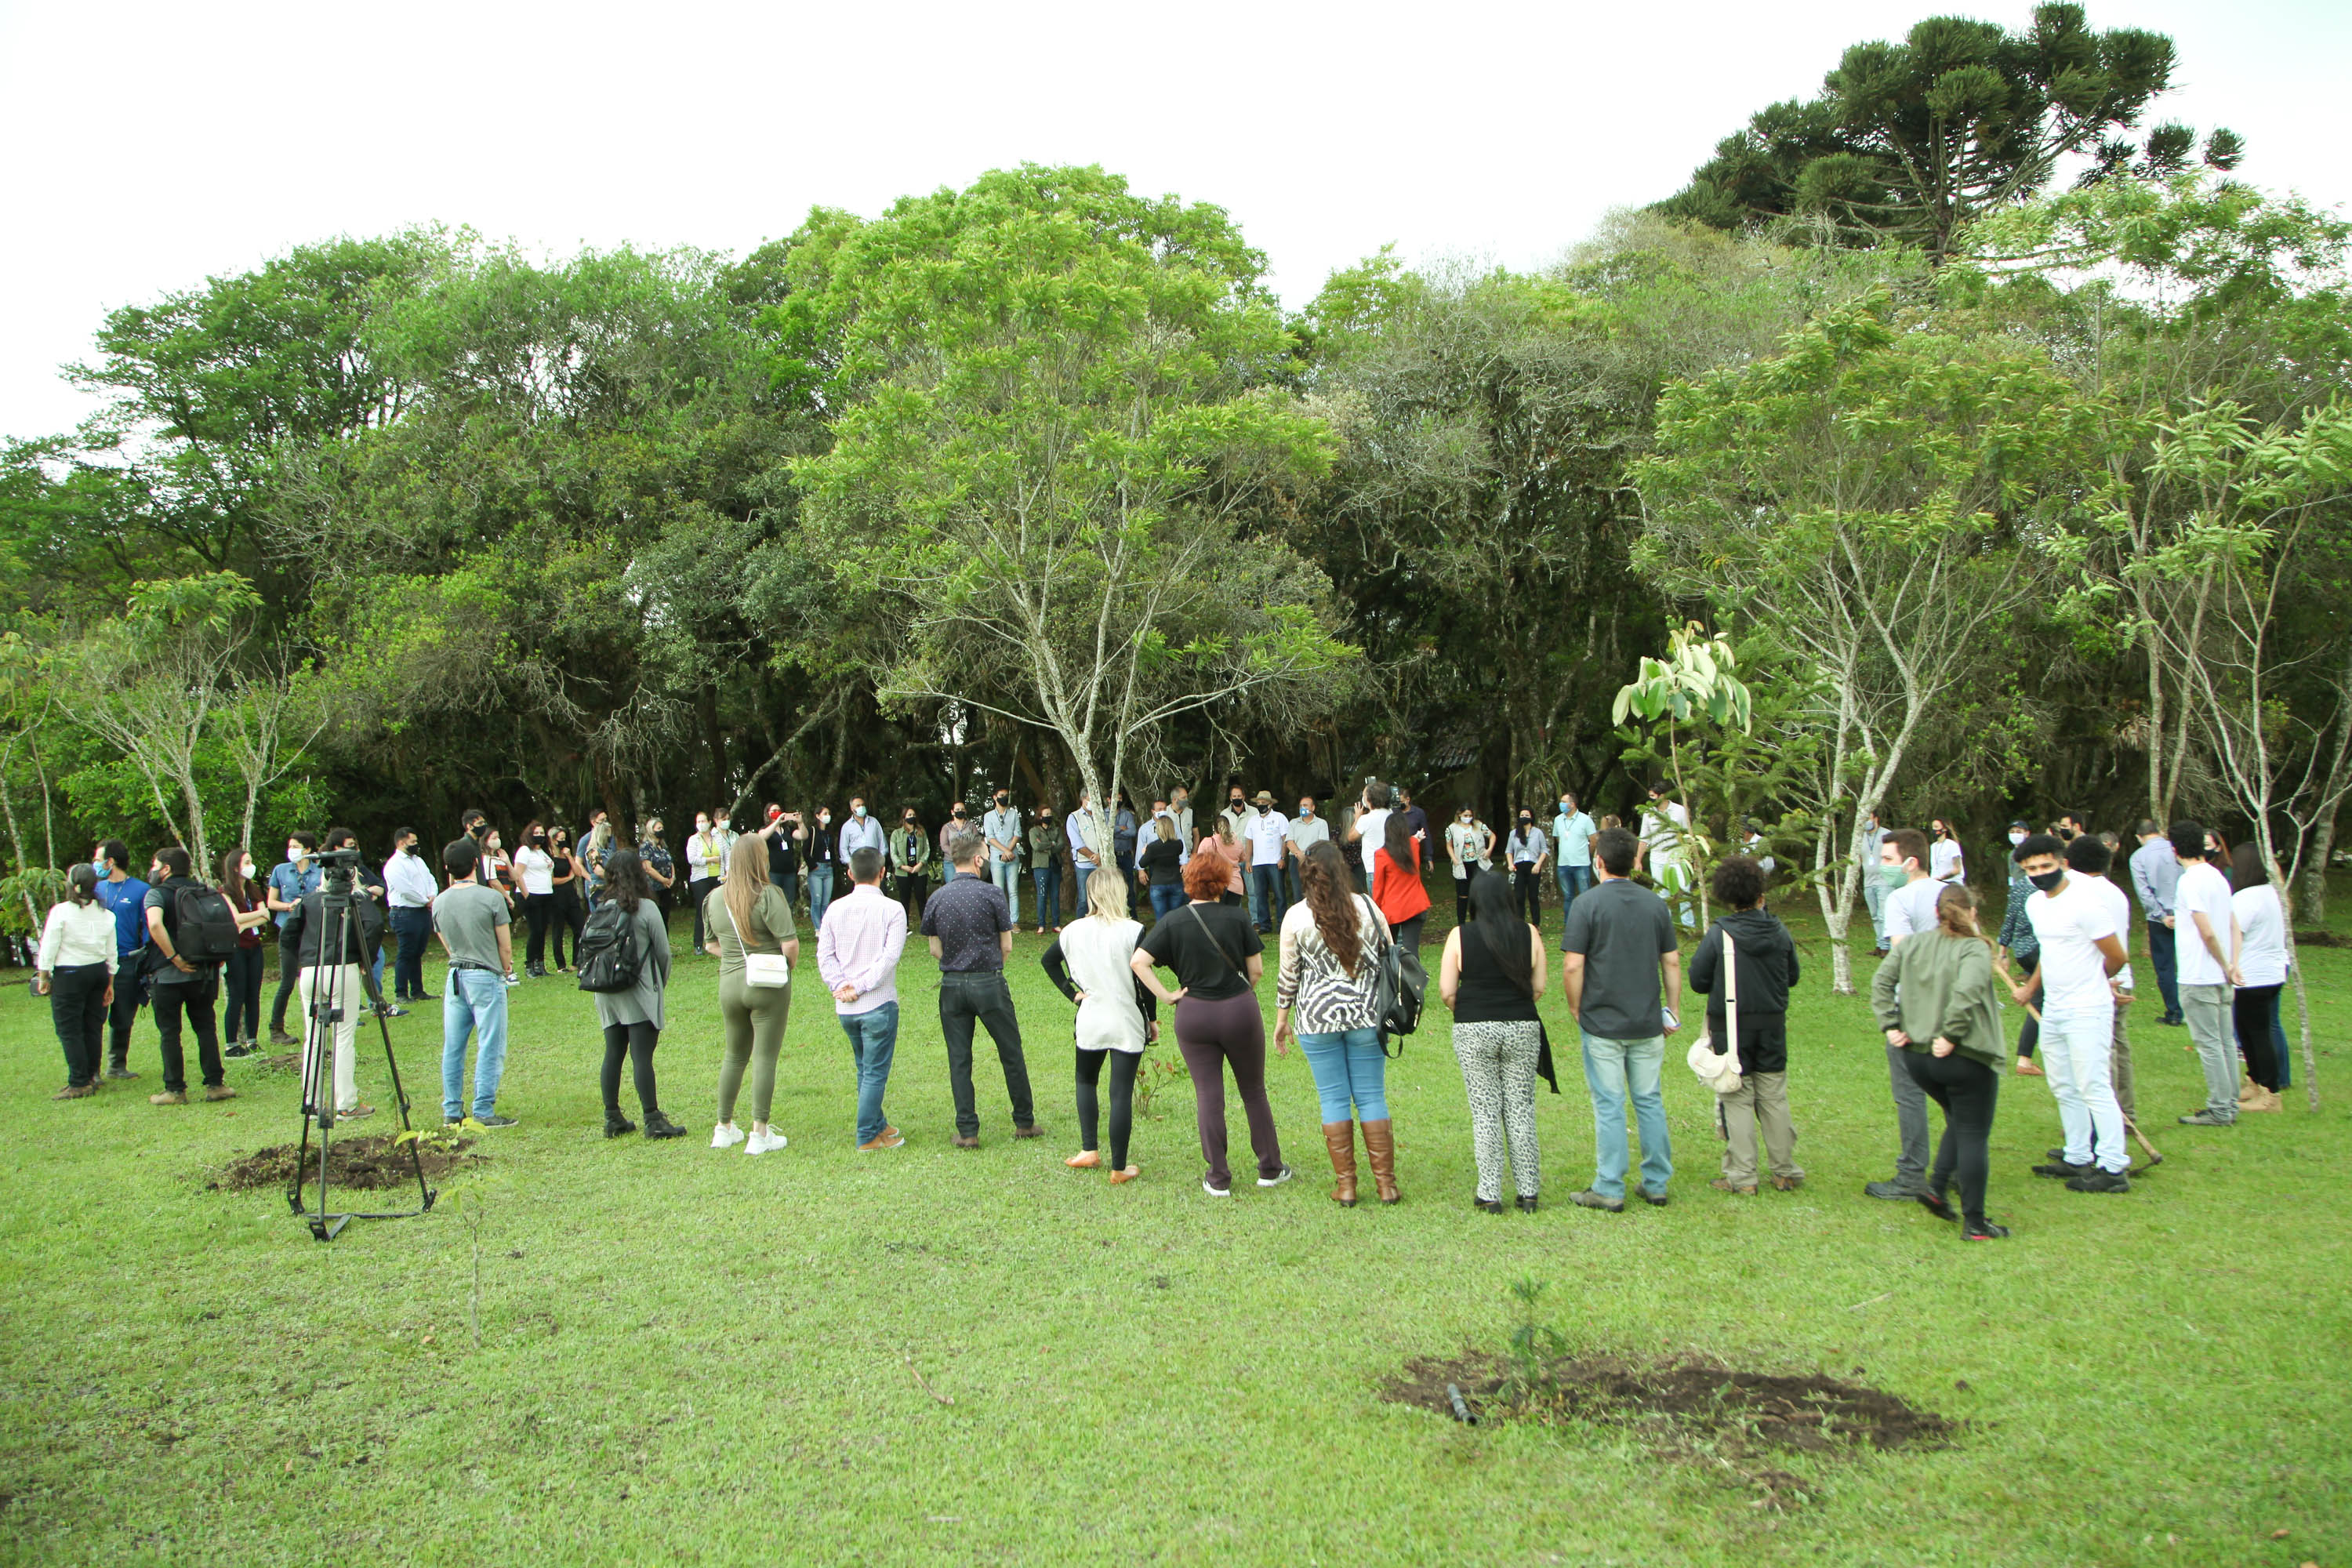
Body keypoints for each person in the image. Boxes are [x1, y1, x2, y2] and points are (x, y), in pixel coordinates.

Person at [1132, 847, 1291, 1198]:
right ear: (1222, 882)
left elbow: (1139, 962)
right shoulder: (1237, 918)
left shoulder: (1172, 920)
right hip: (1238, 1010)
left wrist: (1168, 995)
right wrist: (1239, 994)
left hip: (1194, 1014)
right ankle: (1270, 1167)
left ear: (1189, 882)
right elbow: (1257, 971)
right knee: (1253, 1091)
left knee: (1208, 1094)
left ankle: (1218, 1176)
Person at [1871, 885, 2012, 1239]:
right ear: (1973, 913)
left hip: (1918, 1059)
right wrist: (1950, 1035)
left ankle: (1935, 1190)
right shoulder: (1974, 949)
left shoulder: (1915, 943)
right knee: (1975, 1133)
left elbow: (1881, 982)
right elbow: (1968, 992)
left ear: (1936, 913)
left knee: (1960, 1120)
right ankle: (1976, 1223)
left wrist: (1891, 1025)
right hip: (1963, 1056)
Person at [1560, 827, 1679, 1211]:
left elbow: (1573, 965)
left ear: (1599, 862)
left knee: (1609, 1103)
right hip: (1647, 1020)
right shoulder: (1655, 905)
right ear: (1635, 863)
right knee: (1649, 1100)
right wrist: (1672, 1009)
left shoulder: (1586, 904)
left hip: (1603, 1022)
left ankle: (1610, 1186)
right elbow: (1672, 961)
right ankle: (1656, 1182)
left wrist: (1575, 1007)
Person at [1276, 840, 1399, 1208]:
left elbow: (1288, 976)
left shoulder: (1296, 916)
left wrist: (1282, 1019)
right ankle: (1386, 1186)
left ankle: (1346, 1186)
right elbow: (1389, 955)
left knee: (1333, 1099)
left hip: (1317, 1017)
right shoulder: (1369, 908)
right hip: (1367, 1014)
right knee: (1372, 1096)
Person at [2006, 833, 2131, 1193]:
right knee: (2062, 1082)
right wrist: (2031, 988)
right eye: (2031, 869)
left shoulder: (2085, 903)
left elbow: (2117, 955)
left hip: (2087, 1006)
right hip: (2055, 1005)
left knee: (2093, 1083)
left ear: (2062, 863)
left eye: (2046, 865)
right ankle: (2077, 1155)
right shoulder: (2036, 904)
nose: (2039, 873)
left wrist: (2097, 981)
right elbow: (2050, 950)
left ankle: (2113, 1165)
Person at [1687, 855, 1802, 1196]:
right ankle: (1784, 1171)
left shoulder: (1720, 934)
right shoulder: (1780, 931)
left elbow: (1698, 980)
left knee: (1736, 1097)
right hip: (1771, 1026)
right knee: (1774, 1097)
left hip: (1731, 1027)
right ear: (1760, 896)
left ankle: (1742, 1175)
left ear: (1727, 897)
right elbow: (1792, 976)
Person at [1440, 869, 1549, 1213]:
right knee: (1521, 1109)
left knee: (1485, 1111)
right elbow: (1540, 986)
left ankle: (1490, 1192)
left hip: (1474, 1028)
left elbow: (1446, 990)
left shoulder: (1460, 936)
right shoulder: (1529, 933)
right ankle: (1528, 1190)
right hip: (1521, 1025)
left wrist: (1467, 1007)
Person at [924, 829, 1040, 1146]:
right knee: (1010, 1051)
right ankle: (1024, 1122)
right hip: (988, 982)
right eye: (986, 859)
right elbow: (1007, 945)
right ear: (978, 860)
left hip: (951, 985)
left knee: (959, 1058)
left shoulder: (937, 897)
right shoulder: (992, 895)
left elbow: (935, 949)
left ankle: (967, 1131)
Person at [1043, 868, 1158, 1182]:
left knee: (1086, 1082)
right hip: (1126, 1018)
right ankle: (1119, 1168)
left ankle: (1089, 1149)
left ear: (1090, 893)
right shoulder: (1134, 930)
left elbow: (1048, 961)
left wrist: (1073, 994)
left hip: (1091, 1016)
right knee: (1120, 1093)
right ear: (1120, 892)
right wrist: (1152, 1018)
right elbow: (1144, 981)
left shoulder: (1071, 931)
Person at [704, 833, 799, 1154]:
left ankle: (724, 1126)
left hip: (730, 982)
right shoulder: (769, 895)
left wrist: (737, 956)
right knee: (764, 1057)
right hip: (766, 985)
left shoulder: (715, 898)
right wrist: (782, 967)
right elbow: (789, 944)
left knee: (733, 1055)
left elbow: (710, 944)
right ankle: (759, 1132)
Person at [1866, 826, 1946, 1201]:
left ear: (1911, 862)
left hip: (1914, 1006)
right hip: (1954, 1007)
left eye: (1888, 860)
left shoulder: (1900, 898)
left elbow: (1903, 956)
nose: (1882, 867)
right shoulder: (1951, 894)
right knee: (1953, 1093)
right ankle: (1955, 1169)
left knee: (1910, 1094)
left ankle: (1912, 1174)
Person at [283, 828, 383, 1122]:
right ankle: (346, 1102)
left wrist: (298, 961)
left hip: (310, 971)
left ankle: (312, 1102)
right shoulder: (357, 899)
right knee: (343, 1036)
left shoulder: (311, 901)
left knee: (313, 1035)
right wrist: (366, 958)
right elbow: (374, 926)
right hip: (343, 968)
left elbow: (288, 933)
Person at [819, 845, 906, 1151]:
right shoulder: (893, 909)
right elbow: (889, 958)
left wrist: (842, 985)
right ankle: (867, 1134)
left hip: (847, 1005)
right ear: (883, 873)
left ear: (849, 873)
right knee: (874, 1072)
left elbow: (824, 956)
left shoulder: (834, 909)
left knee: (865, 1068)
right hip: (876, 1003)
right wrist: (858, 986)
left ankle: (878, 1123)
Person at [593, 848, 683, 1140]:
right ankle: (653, 1118)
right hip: (639, 989)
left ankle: (612, 1116)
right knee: (642, 1056)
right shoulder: (646, 909)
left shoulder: (600, 908)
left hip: (606, 990)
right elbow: (664, 954)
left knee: (613, 1052)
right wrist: (658, 985)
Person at [138, 845, 237, 1107]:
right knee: (205, 1027)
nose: (153, 869)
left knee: (170, 1031)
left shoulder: (156, 893)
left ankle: (175, 1090)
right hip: (204, 973)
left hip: (168, 974)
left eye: (155, 864)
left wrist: (174, 957)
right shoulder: (203, 891)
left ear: (166, 868)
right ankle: (215, 1085)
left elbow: (155, 924)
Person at [433, 837, 517, 1129]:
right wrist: (506, 969)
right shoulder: (491, 898)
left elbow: (445, 942)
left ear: (448, 868)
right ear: (476, 864)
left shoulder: (440, 901)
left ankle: (452, 1110)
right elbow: (504, 946)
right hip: (485, 975)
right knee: (490, 1043)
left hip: (456, 974)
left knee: (453, 1046)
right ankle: (483, 1109)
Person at [2168, 819, 2243, 1128]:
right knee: (2225, 1042)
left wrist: (2225, 962)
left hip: (2200, 976)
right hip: (2221, 977)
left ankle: (2220, 1109)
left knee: (2211, 1045)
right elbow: (2233, 926)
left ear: (2175, 850)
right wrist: (2232, 965)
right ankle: (2230, 1104)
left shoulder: (2190, 881)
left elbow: (2208, 931)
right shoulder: (2218, 878)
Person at [35, 865, 117, 1098]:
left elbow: (49, 946)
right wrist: (110, 981)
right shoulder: (105, 913)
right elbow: (112, 951)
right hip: (99, 971)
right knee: (92, 1026)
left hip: (70, 973)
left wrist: (44, 976)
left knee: (69, 1028)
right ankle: (91, 1074)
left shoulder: (61, 912)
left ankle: (79, 1081)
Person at [2229, 842, 2288, 1114]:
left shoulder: (2246, 898)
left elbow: (2235, 934)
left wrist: (2232, 966)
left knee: (2257, 1034)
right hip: (2272, 972)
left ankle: (2271, 1094)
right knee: (2248, 1031)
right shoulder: (2274, 893)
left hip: (2253, 975)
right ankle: (2255, 1081)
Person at [91, 840, 151, 1079]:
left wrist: (144, 958)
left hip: (127, 960)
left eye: (98, 859)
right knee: (95, 1015)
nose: (95, 864)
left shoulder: (141, 890)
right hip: (98, 961)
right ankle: (91, 1070)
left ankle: (117, 1064)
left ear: (111, 861)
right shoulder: (95, 890)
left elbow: (148, 927)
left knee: (123, 1015)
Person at [1994, 822, 2044, 1076]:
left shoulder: (2022, 886)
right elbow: (2011, 919)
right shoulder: (2038, 886)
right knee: (2040, 999)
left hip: (2024, 951)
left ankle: (2030, 1056)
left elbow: (2009, 920)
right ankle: (2025, 1059)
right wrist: (2001, 953)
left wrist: (2004, 952)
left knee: (2043, 999)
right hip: (2038, 950)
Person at [215, 848, 273, 1057]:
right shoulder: (225, 891)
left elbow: (266, 916)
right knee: (236, 995)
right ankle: (231, 1044)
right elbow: (235, 919)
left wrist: (250, 918)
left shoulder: (253, 889)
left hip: (254, 947)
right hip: (235, 949)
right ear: (235, 867)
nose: (251, 867)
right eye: (246, 863)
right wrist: (255, 916)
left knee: (253, 995)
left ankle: (252, 1040)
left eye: (251, 862)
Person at [265, 831, 321, 1047]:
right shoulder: (280, 870)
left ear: (307, 850)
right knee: (287, 981)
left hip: (313, 929)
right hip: (288, 928)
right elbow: (271, 902)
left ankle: (319, 1023)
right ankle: (276, 1028)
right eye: (290, 846)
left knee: (317, 978)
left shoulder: (320, 869)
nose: (292, 850)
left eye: (296, 846)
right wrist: (289, 906)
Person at [2130, 820, 2186, 1027]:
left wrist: (2161, 915)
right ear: (2159, 832)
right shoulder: (2176, 850)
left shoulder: (2138, 857)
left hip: (2159, 918)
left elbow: (2144, 892)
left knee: (2165, 966)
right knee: (2189, 961)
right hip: (2185, 913)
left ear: (2139, 837)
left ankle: (2174, 1011)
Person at [383, 826, 440, 1006]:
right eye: (413, 842)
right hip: (405, 912)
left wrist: (432, 896)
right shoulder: (394, 865)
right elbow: (405, 888)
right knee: (406, 952)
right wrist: (424, 900)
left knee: (418, 952)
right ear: (401, 843)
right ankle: (401, 992)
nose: (416, 845)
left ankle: (418, 990)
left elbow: (430, 879)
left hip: (421, 911)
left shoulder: (418, 861)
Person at [1640, 782, 1696, 932]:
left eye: (1653, 796)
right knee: (1661, 895)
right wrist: (1638, 860)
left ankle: (1689, 927)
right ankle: (1666, 927)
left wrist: (1690, 856)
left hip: (1678, 857)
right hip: (1657, 858)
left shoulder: (1679, 811)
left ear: (1662, 795)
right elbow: (1644, 838)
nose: (1650, 799)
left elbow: (1687, 834)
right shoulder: (1648, 813)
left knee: (1684, 892)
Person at [1372, 812, 1429, 953]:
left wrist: (1376, 910)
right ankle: (1414, 975)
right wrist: (1418, 836)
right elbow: (1414, 840)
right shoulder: (1413, 845)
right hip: (1416, 904)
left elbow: (1378, 887)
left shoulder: (1382, 854)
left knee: (1389, 951)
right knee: (1411, 950)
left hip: (1392, 909)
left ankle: (1393, 975)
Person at [1245, 789, 1291, 935]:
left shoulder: (1280, 818)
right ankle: (1264, 925)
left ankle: (1282, 924)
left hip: (1275, 861)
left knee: (1279, 894)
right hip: (1258, 863)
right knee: (1260, 895)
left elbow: (1286, 839)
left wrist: (1282, 857)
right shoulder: (1252, 820)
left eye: (1264, 803)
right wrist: (1248, 861)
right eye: (1258, 803)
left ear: (1270, 804)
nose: (1261, 805)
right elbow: (1249, 842)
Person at [1552, 791, 1597, 925]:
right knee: (1568, 897)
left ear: (1572, 804)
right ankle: (1569, 924)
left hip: (1581, 864)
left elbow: (1593, 840)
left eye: (1564, 802)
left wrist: (1585, 854)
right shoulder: (1558, 820)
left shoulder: (1585, 820)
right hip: (1563, 865)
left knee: (1585, 896)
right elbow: (1558, 839)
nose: (1561, 804)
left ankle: (1587, 924)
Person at [686, 811, 728, 952]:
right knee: (702, 910)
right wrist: (709, 860)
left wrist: (727, 872)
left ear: (710, 822)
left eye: (704, 821)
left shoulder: (719, 837)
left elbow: (727, 854)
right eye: (699, 822)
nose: (702, 824)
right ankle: (699, 943)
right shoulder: (693, 839)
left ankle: (720, 940)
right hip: (700, 879)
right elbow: (691, 859)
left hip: (718, 877)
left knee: (719, 908)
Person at [982, 789, 1024, 927]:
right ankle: (1000, 921)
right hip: (996, 857)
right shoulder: (988, 816)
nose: (1004, 798)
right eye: (1001, 796)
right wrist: (1005, 850)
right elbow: (990, 837)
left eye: (1006, 796)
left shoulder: (1013, 814)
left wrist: (1009, 850)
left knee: (1013, 890)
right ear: (994, 798)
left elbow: (1017, 833)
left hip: (1012, 856)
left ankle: (1014, 921)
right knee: (998, 890)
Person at [548, 826, 585, 975]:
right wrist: (567, 878)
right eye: (560, 839)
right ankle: (560, 964)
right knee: (558, 930)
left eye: (565, 839)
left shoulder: (566, 855)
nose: (563, 841)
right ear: (553, 840)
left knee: (580, 926)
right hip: (556, 896)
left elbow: (578, 872)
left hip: (571, 895)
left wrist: (569, 856)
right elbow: (551, 881)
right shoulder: (549, 857)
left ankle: (576, 962)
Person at [1446, 807, 1493, 927]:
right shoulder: (1452, 828)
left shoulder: (1479, 825)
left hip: (1478, 862)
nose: (1467, 818)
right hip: (1461, 864)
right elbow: (1449, 845)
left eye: (1469, 815)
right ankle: (1461, 924)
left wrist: (1489, 850)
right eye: (1465, 815)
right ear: (1459, 815)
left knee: (1479, 892)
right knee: (1463, 895)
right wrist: (1454, 858)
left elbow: (1492, 836)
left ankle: (1479, 921)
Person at [1344, 779, 1392, 889]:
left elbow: (1350, 837)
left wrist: (1357, 818)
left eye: (1364, 795)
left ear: (1370, 799)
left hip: (1373, 869)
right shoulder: (1391, 814)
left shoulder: (1366, 819)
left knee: (1377, 903)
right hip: (1392, 865)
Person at [1138, 813, 1187, 921]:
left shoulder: (1153, 847)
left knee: (1161, 919)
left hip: (1158, 883)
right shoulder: (1179, 844)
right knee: (1176, 918)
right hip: (1176, 882)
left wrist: (1144, 852)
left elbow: (1142, 863)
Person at [1287, 794, 1330, 908]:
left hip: (1314, 861)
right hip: (1296, 860)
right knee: (1298, 892)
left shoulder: (1321, 823)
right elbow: (1289, 841)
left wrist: (1307, 855)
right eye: (1301, 806)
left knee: (1314, 891)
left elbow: (1322, 844)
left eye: (1305, 805)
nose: (1302, 808)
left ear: (1313, 808)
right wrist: (1299, 854)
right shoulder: (1293, 823)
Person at [891, 808, 932, 927]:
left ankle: (926, 924)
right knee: (904, 898)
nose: (912, 816)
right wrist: (901, 866)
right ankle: (905, 925)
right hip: (903, 872)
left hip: (920, 870)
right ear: (904, 817)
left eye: (913, 814)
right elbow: (893, 853)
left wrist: (921, 864)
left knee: (921, 897)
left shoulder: (921, 831)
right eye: (909, 814)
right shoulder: (896, 834)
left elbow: (927, 849)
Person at [1506, 811, 1548, 927]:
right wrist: (1510, 864)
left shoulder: (1538, 833)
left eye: (1527, 815)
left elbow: (1544, 850)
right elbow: (1509, 851)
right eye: (1522, 815)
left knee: (1533, 896)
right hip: (1518, 866)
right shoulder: (1514, 833)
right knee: (1519, 897)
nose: (1524, 817)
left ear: (1532, 817)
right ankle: (1520, 924)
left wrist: (1538, 865)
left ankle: (1536, 925)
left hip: (1533, 867)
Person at [1858, 809, 1891, 954]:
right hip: (1868, 881)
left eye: (1869, 818)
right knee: (1875, 915)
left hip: (1884, 881)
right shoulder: (1860, 837)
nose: (1867, 822)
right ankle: (1879, 944)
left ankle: (1887, 946)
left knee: (1884, 914)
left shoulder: (1887, 835)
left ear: (1876, 819)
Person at [1027, 805, 1064, 933]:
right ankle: (1041, 925)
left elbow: (1061, 845)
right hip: (1040, 867)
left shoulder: (1056, 830)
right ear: (1040, 817)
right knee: (1042, 895)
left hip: (1055, 865)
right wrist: (1051, 844)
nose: (1049, 817)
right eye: (1046, 814)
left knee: (1055, 895)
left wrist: (1046, 846)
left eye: (1050, 814)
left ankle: (1056, 924)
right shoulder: (1034, 831)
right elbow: (1036, 846)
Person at [805, 805, 842, 931]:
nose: (827, 816)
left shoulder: (829, 833)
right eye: (825, 813)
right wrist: (813, 866)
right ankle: (818, 928)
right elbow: (805, 851)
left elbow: (832, 850)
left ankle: (826, 927)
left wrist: (833, 864)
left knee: (826, 901)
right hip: (816, 869)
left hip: (828, 869)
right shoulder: (812, 831)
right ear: (817, 816)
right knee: (817, 900)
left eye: (828, 813)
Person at [1065, 796, 1103, 914]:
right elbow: (1077, 843)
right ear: (1082, 799)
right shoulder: (1074, 817)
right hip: (1084, 864)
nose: (1092, 801)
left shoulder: (1101, 816)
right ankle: (1080, 928)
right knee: (1084, 898)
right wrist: (1094, 857)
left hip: (1102, 863)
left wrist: (1100, 856)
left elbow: (1107, 837)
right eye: (1089, 798)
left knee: (1101, 897)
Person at [1392, 786, 1432, 892]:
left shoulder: (1419, 813)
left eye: (1401, 801)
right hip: (1396, 852)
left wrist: (1429, 857)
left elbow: (1426, 833)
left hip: (1413, 852)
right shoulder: (1393, 813)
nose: (1399, 804)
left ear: (1407, 800)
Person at [759, 806, 799, 908]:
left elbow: (803, 836)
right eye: (774, 811)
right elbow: (762, 837)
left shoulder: (788, 829)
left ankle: (787, 922)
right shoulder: (764, 829)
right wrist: (776, 822)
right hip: (773, 872)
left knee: (789, 902)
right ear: (768, 813)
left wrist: (800, 823)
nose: (777, 812)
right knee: (774, 901)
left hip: (789, 872)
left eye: (779, 810)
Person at [641, 816, 677, 920]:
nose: (661, 830)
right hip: (654, 887)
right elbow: (647, 868)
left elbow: (670, 862)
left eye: (662, 828)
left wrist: (672, 877)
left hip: (666, 887)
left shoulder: (663, 846)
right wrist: (662, 880)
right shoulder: (646, 847)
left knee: (665, 916)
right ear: (651, 830)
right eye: (658, 828)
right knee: (656, 917)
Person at [1928, 818, 1966, 885]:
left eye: (1936, 827)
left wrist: (1941, 878)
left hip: (1952, 883)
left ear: (1945, 829)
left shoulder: (1952, 845)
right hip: (1936, 884)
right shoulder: (1933, 847)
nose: (1934, 829)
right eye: (1933, 827)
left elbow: (1957, 869)